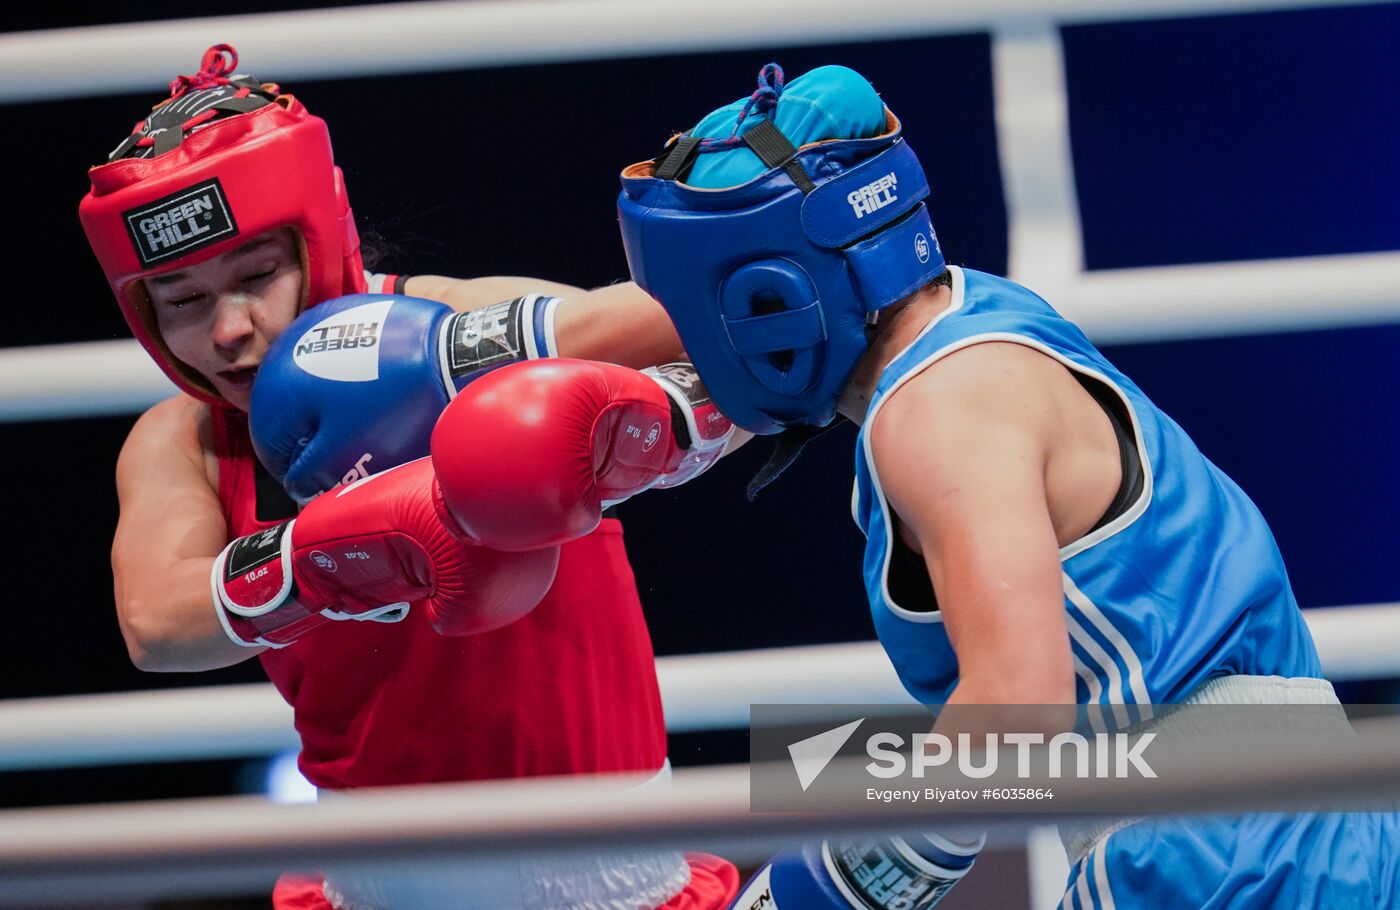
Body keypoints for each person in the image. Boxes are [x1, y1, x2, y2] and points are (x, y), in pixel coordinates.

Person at [428, 64, 1399, 907]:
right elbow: (603, 320)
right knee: (815, 767)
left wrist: (822, 881)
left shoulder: (936, 418)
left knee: (821, 779)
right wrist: (404, 317)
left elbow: (1017, 710)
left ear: (765, 295)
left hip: (1208, 855)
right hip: (1294, 808)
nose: (687, 336)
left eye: (696, 302)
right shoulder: (964, 311)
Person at [78, 45, 737, 910]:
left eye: (255, 277)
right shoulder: (188, 441)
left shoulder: (453, 324)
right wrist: (335, 554)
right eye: (185, 303)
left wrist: (645, 430)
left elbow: (707, 338)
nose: (231, 330)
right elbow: (155, 624)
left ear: (320, 241)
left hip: (612, 870)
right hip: (375, 885)